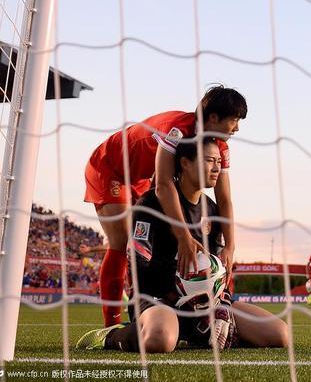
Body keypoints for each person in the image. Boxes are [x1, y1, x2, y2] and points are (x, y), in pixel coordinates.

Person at [76, 139, 287, 352]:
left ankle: (201, 334)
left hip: (205, 305)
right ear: (185, 163)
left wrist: (222, 303)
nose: (217, 168)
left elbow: (216, 270)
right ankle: (111, 335)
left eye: (218, 161)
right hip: (158, 301)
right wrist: (179, 293)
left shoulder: (212, 211)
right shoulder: (150, 204)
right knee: (160, 340)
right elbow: (139, 270)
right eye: (209, 160)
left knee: (279, 334)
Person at [84, 85, 247, 326]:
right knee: (122, 243)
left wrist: (231, 247)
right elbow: (163, 185)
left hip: (141, 178)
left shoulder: (218, 146)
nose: (237, 128)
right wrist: (183, 235)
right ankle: (111, 326)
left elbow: (224, 199)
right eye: (234, 120)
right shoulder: (177, 130)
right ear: (213, 118)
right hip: (111, 168)